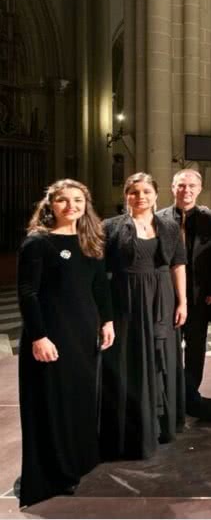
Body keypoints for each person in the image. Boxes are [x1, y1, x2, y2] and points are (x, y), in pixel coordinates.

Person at [16, 180, 114, 507]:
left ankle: (78, 462)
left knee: (79, 399)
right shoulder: (38, 243)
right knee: (53, 403)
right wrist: (39, 336)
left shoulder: (90, 240)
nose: (71, 206)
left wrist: (107, 321)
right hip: (52, 335)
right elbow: (28, 293)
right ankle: (54, 474)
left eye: (78, 200)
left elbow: (99, 286)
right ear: (50, 205)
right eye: (63, 200)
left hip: (83, 334)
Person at [101, 173, 187, 460]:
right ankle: (132, 428)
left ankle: (161, 425)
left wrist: (182, 302)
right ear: (126, 195)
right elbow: (99, 270)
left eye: (146, 191)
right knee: (129, 360)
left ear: (156, 195)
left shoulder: (170, 226)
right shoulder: (111, 227)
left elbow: (178, 265)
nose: (141, 197)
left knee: (161, 358)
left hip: (161, 298)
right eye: (134, 192)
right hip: (125, 299)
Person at [157, 169, 211, 418]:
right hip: (167, 295)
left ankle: (191, 395)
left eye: (191, 186)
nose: (186, 190)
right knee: (169, 347)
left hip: (199, 295)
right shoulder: (159, 218)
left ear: (199, 189)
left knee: (196, 348)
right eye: (181, 185)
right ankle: (170, 395)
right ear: (173, 188)